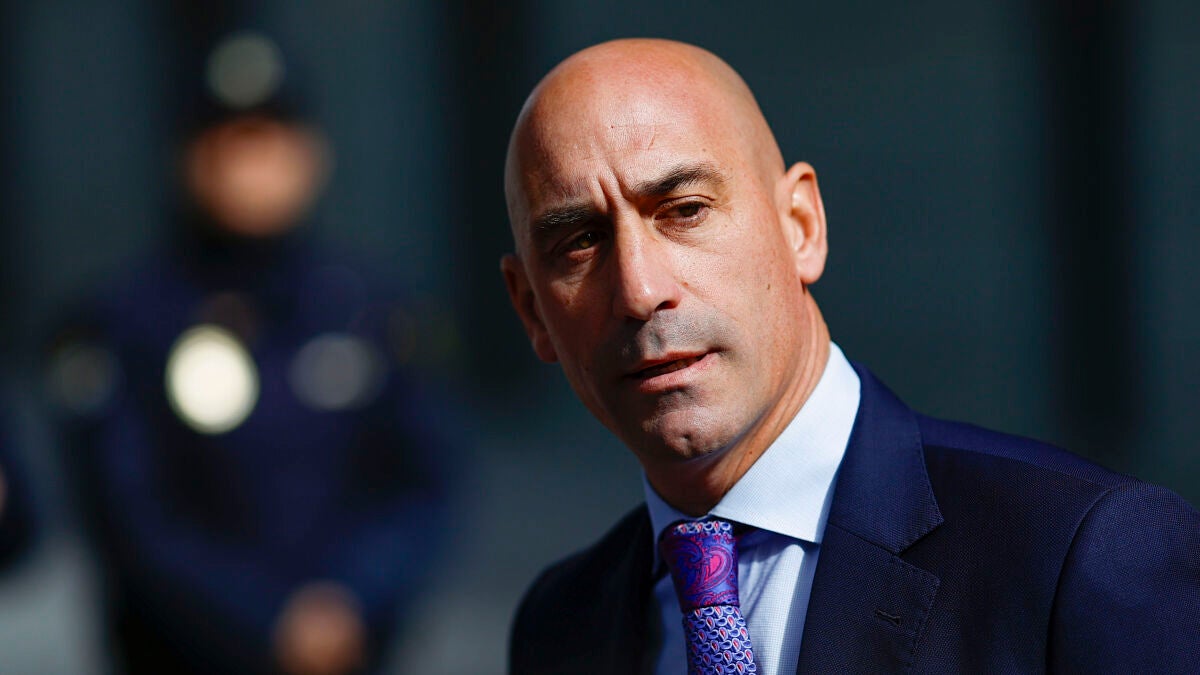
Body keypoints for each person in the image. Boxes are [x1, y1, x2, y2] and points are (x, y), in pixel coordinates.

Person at [501, 38, 1200, 674]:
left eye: (684, 210)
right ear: (532, 311)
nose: (639, 290)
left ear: (801, 226)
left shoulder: (1078, 554)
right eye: (579, 242)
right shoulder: (561, 626)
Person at [48, 31, 455, 675]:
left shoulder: (369, 310)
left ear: (311, 156)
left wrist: (349, 601)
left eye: (267, 140)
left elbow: (424, 483)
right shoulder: (124, 322)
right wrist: (268, 623)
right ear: (187, 157)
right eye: (228, 141)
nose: (248, 166)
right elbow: (131, 516)